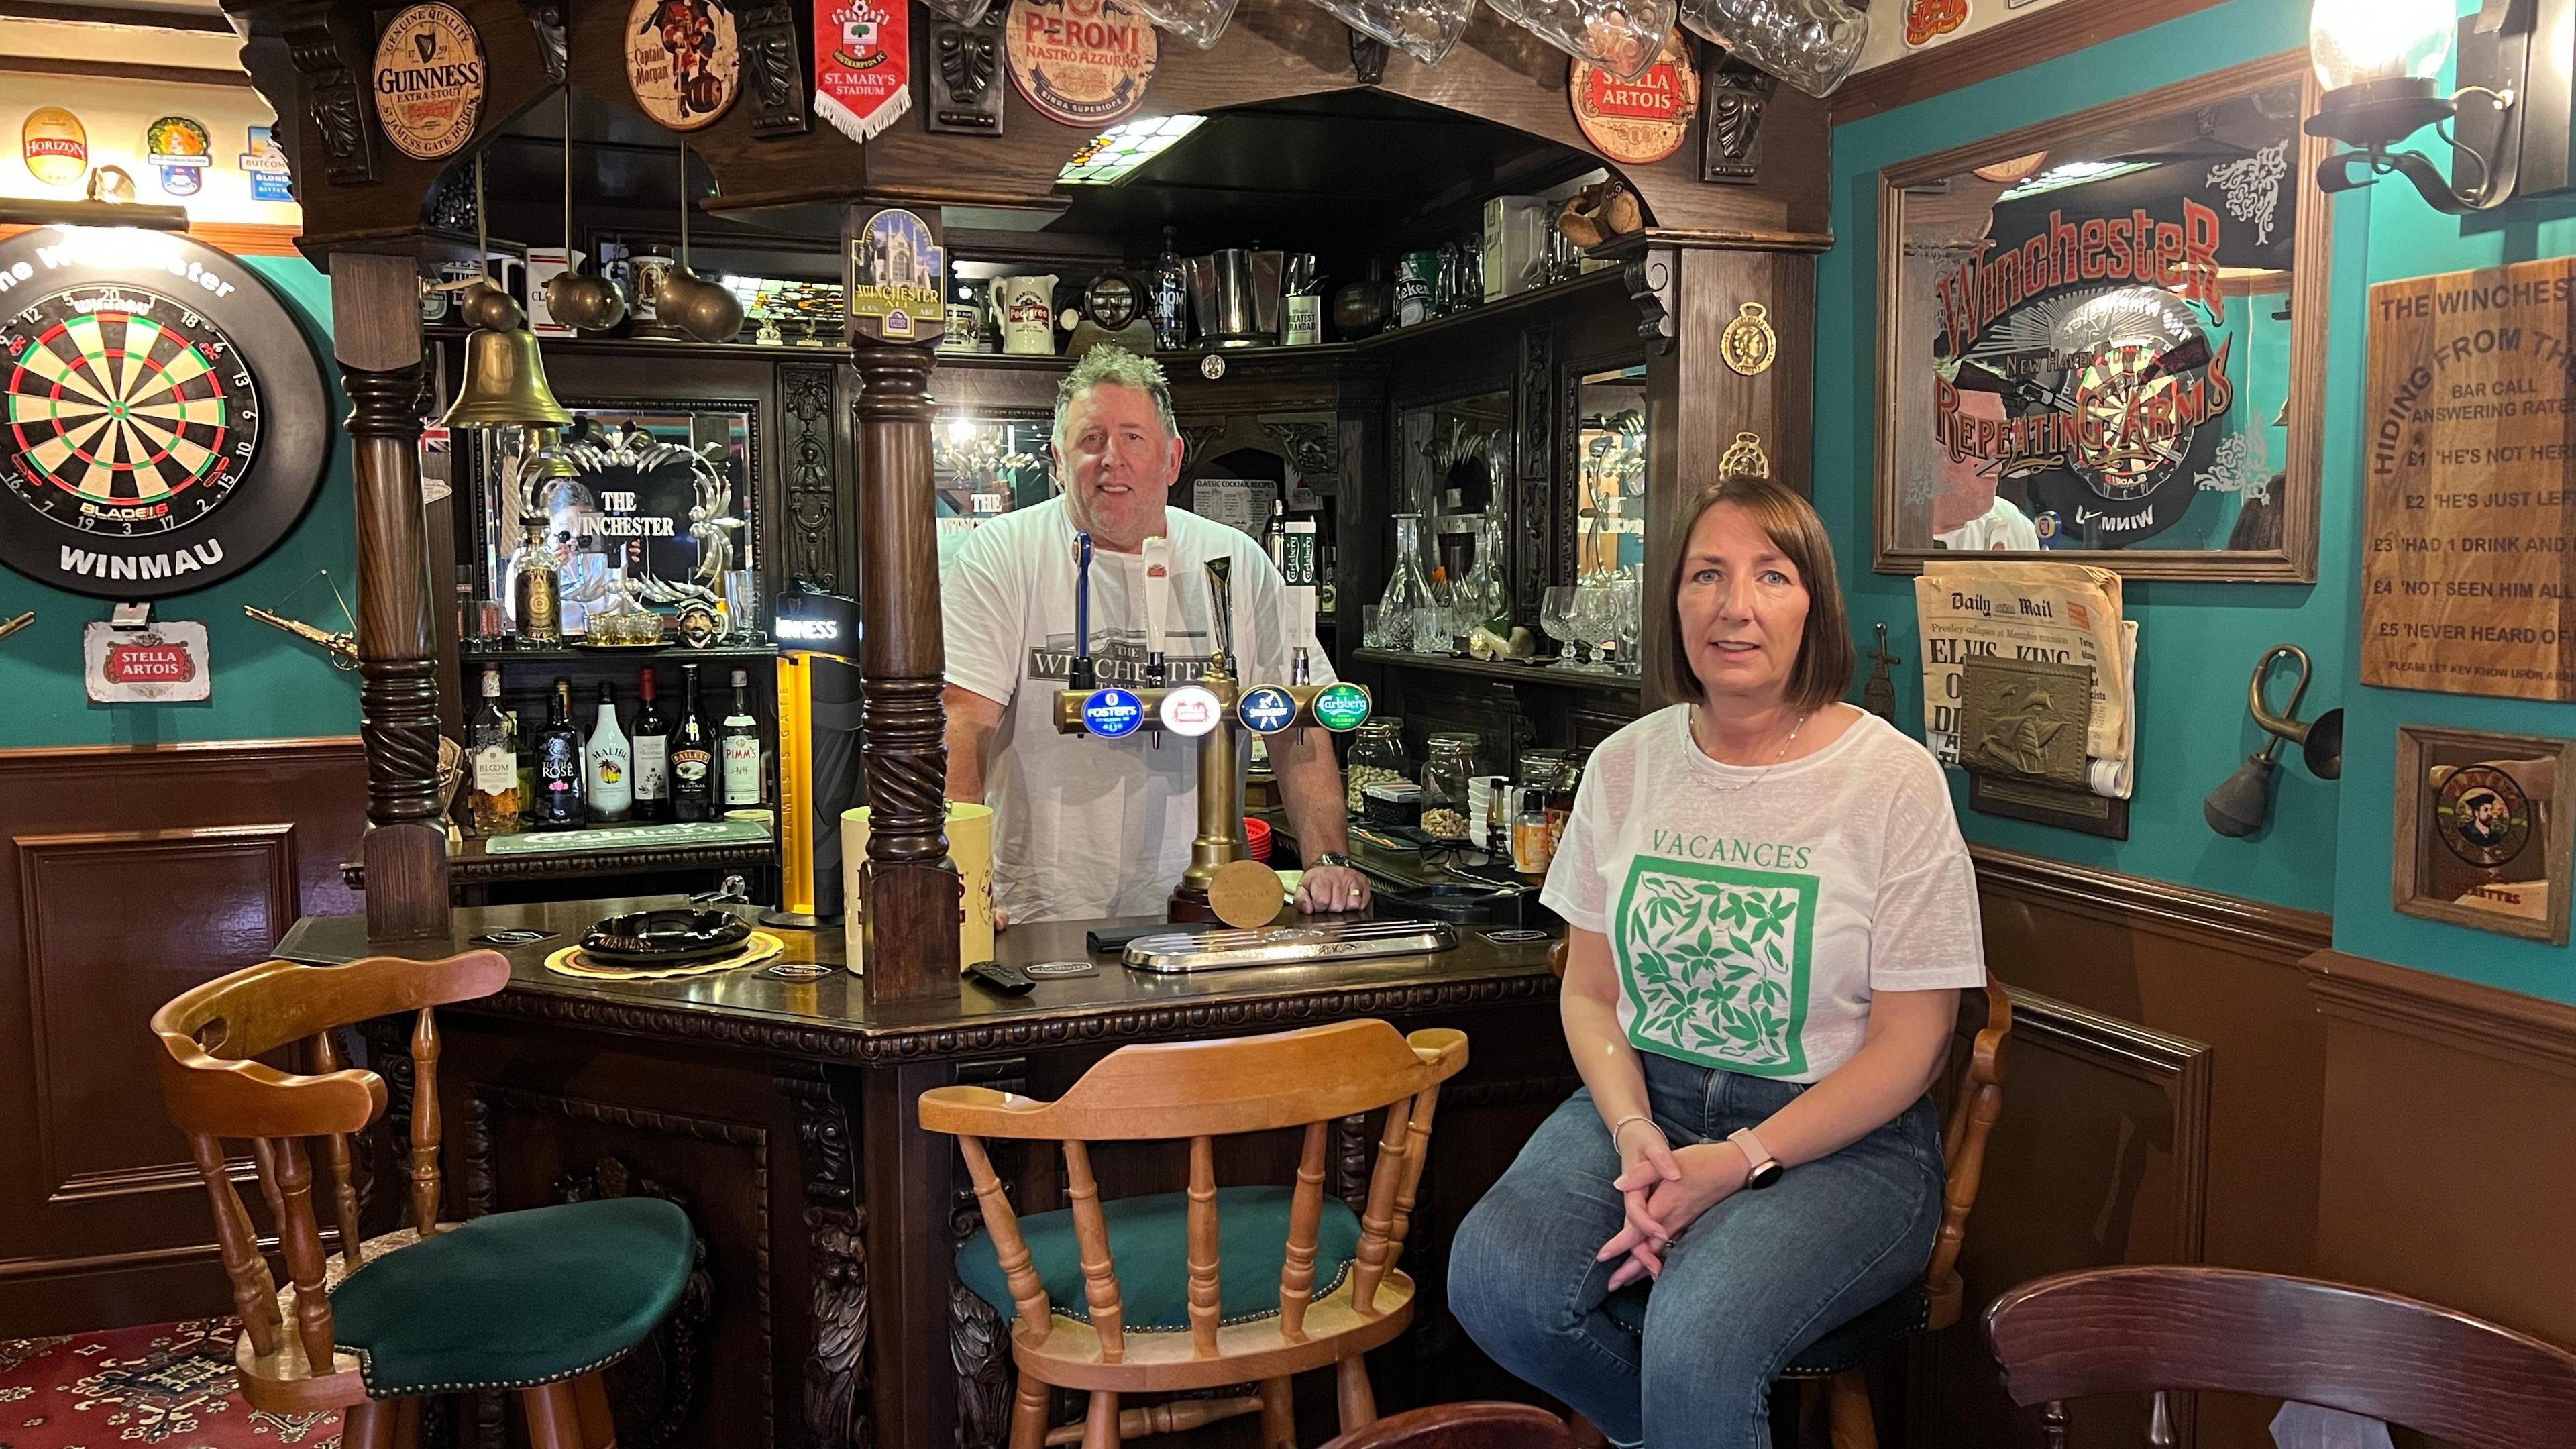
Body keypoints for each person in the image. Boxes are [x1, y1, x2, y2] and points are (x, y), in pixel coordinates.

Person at [1448, 476, 1986, 1449]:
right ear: (1675, 603)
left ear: (1814, 604)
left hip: (1843, 1142)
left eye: (1770, 576)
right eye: (1708, 575)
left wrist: (1737, 1162)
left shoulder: (1892, 781)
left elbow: (1916, 1045)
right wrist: (1632, 1132)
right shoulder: (1628, 762)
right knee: (1495, 1280)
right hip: (1649, 1100)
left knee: (1697, 1340)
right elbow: (1590, 990)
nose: (1735, 607)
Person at [941, 345, 1371, 926]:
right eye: (1091, 439)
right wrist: (962, 880)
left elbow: (1299, 727)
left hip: (1214, 910)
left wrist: (1328, 858)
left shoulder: (1235, 562)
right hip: (1038, 913)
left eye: (1133, 438)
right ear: (1057, 461)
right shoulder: (1003, 554)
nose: (1111, 459)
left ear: (1172, 459)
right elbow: (964, 724)